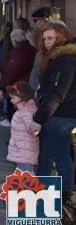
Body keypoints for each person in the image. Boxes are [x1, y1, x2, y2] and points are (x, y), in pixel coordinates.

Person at [33, 21, 76, 207]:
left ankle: (65, 195)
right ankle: (46, 193)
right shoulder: (59, 57)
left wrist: (39, 118)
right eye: (44, 39)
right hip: (59, 114)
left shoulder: (65, 58)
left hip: (61, 115)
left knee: (59, 155)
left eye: (51, 38)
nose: (47, 42)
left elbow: (58, 92)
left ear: (62, 36)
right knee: (50, 154)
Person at [0, 29, 37, 127]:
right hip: (25, 85)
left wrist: (1, 86)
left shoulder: (18, 54)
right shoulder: (30, 49)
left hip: (16, 87)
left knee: (15, 114)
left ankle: (17, 136)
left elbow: (11, 74)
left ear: (14, 41)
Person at [6, 82, 40, 174]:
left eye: (13, 98)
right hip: (23, 148)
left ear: (22, 96)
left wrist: (34, 128)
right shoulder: (27, 108)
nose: (11, 100)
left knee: (25, 174)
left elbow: (30, 126)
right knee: (25, 173)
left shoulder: (25, 111)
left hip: (23, 150)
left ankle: (28, 188)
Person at [28, 7, 61, 90]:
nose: (35, 23)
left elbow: (46, 50)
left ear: (43, 20)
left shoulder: (49, 29)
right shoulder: (58, 27)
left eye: (36, 20)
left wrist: (32, 41)